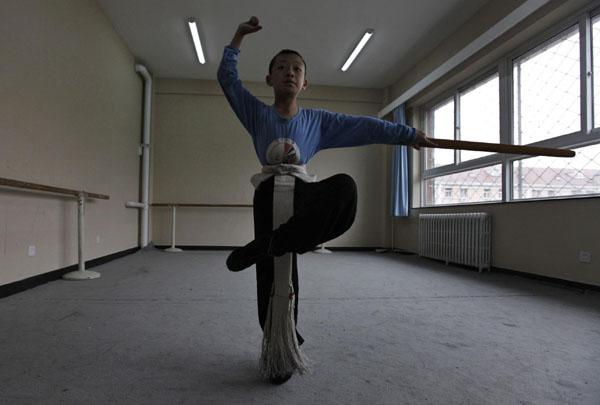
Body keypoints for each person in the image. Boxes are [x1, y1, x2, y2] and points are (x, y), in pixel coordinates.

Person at [217, 16, 435, 384]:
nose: (290, 72)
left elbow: (367, 127)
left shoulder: (318, 121)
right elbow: (227, 78)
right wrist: (239, 36)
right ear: (269, 79)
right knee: (271, 275)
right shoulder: (255, 113)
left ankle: (270, 243)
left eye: (297, 69)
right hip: (268, 194)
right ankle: (278, 347)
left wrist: (408, 133)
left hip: (303, 191)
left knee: (345, 189)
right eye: (282, 68)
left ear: (305, 83)